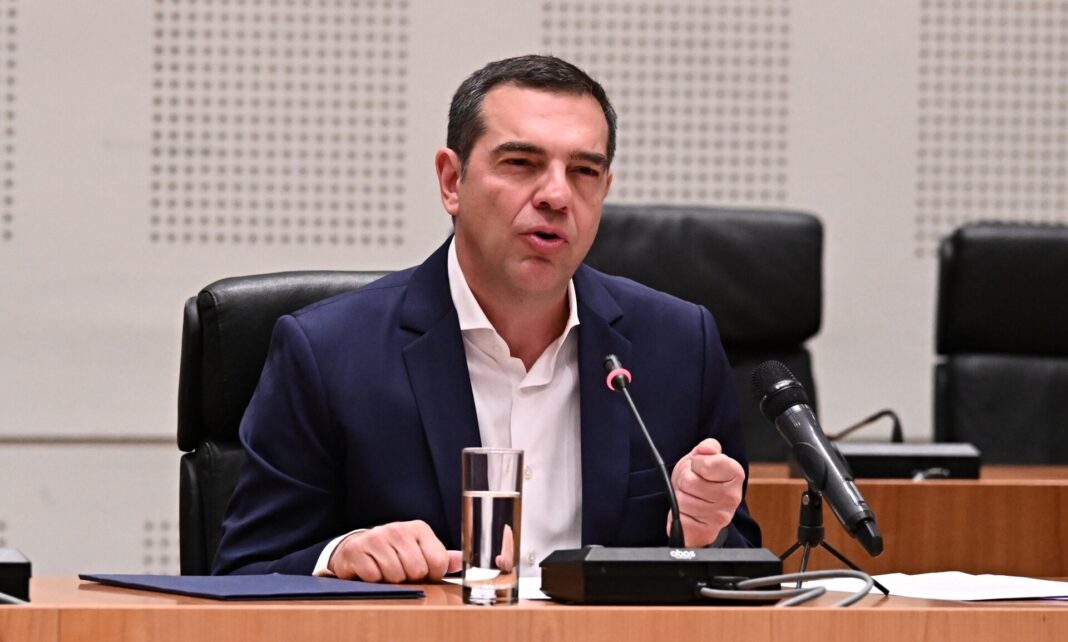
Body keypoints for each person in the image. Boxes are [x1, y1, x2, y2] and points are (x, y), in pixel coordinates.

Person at [213, 55, 761, 582]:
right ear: (452, 181)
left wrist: (705, 536)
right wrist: (339, 556)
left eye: (583, 171)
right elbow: (242, 575)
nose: (556, 195)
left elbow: (746, 570)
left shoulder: (679, 345)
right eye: (521, 163)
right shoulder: (328, 351)